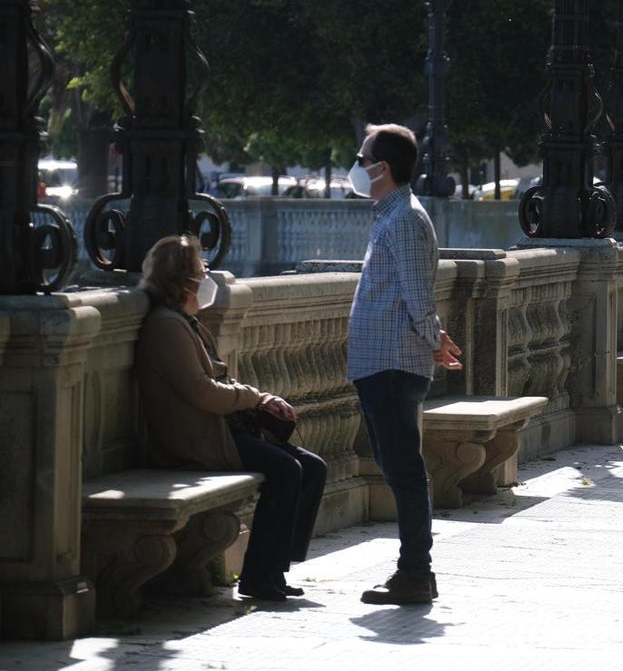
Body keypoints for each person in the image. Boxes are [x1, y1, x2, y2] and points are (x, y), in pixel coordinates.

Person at [135, 235, 328, 602]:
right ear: (181, 279)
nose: (206, 277)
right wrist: (254, 399)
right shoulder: (167, 326)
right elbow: (202, 391)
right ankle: (258, 577)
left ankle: (273, 567)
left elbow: (220, 377)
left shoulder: (185, 321)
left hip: (217, 430)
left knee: (312, 466)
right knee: (286, 471)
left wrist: (263, 398)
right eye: (200, 271)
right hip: (198, 439)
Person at [347, 124, 463, 606]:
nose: (356, 164)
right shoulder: (391, 216)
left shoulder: (405, 221)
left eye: (362, 155)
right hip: (381, 363)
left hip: (393, 364)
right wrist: (436, 338)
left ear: (382, 168)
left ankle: (416, 571)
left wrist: (435, 341)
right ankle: (413, 570)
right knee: (398, 468)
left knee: (405, 471)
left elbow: (418, 299)